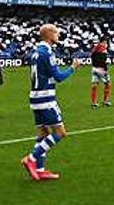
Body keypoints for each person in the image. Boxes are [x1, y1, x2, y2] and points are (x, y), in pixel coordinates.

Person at [21, 24, 81, 181]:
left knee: (42, 135)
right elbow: (58, 77)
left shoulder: (35, 52)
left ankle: (39, 170)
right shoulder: (47, 52)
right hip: (46, 98)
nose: (58, 34)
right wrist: (73, 68)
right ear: (48, 35)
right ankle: (31, 158)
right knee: (60, 133)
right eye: (56, 32)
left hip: (34, 97)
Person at [90, 37, 112, 108]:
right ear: (104, 42)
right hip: (102, 69)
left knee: (94, 85)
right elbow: (103, 60)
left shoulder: (95, 48)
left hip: (94, 68)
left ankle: (93, 102)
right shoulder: (103, 49)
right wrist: (105, 69)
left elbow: (92, 57)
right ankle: (105, 101)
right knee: (107, 84)